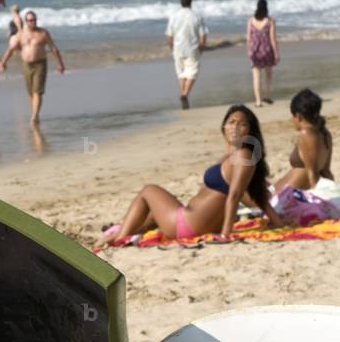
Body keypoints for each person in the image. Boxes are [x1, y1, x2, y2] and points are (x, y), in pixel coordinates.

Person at [105, 104, 283, 244]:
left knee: (148, 190)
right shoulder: (232, 157)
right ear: (223, 127)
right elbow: (254, 192)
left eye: (242, 124)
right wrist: (276, 220)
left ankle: (120, 237)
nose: (235, 127)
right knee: (151, 217)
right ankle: (121, 232)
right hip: (192, 222)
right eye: (231, 122)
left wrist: (226, 234)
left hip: (189, 224)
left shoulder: (243, 155)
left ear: (250, 132)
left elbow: (235, 196)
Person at [0, 10, 65, 124]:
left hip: (40, 63)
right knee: (30, 92)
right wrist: (3, 62)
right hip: (26, 64)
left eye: (34, 19)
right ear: (26, 21)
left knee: (37, 91)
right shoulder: (21, 34)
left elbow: (53, 48)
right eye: (30, 20)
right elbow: (11, 49)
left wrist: (60, 64)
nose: (33, 22)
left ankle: (34, 116)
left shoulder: (43, 33)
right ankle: (35, 113)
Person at [275, 88, 333, 191]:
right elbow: (326, 171)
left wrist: (321, 201)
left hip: (289, 198)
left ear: (298, 116)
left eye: (292, 117)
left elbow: (313, 175)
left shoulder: (306, 134)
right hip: (290, 192)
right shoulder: (325, 133)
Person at [165, 0, 208, 110]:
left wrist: (171, 47)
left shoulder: (174, 16)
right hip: (192, 48)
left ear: (181, 3)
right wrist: (202, 47)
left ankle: (184, 96)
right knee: (192, 72)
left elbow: (169, 36)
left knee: (181, 73)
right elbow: (203, 35)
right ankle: (184, 95)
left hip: (177, 48)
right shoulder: (197, 16)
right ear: (191, 3)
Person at [247, 0, 279, 107]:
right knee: (268, 74)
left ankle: (258, 101)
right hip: (267, 50)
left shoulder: (251, 20)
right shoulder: (270, 21)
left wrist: (249, 51)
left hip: (255, 51)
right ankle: (268, 96)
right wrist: (276, 53)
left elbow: (248, 38)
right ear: (266, 7)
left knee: (256, 77)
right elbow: (273, 39)